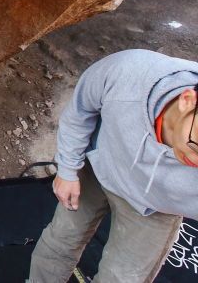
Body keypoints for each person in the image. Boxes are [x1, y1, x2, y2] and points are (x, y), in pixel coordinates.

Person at [28, 48, 198, 282]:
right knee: (60, 240)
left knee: (121, 278)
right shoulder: (128, 74)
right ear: (187, 101)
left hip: (156, 207)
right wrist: (67, 170)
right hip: (100, 170)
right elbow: (80, 110)